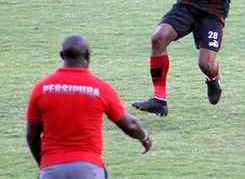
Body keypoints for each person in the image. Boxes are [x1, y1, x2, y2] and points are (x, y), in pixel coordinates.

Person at [26, 34, 152, 179]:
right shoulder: (100, 88)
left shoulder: (41, 88)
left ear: (62, 55)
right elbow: (131, 125)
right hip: (88, 168)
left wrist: (45, 165)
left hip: (51, 169)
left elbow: (32, 135)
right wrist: (145, 137)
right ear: (87, 55)